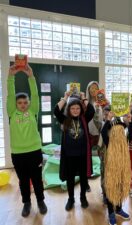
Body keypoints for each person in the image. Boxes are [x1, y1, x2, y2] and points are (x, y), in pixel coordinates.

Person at [7, 64, 47, 217]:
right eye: (20, 103)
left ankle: (41, 201)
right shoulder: (12, 112)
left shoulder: (32, 111)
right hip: (18, 153)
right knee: (23, 181)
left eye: (25, 102)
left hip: (34, 151)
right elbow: (10, 95)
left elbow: (35, 95)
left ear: (29, 103)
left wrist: (31, 76)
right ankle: (27, 203)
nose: (23, 105)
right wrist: (11, 76)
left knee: (37, 179)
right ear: (16, 105)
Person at [54, 91, 95, 211]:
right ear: (69, 109)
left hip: (82, 155)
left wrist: (83, 98)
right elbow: (56, 110)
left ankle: (83, 197)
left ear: (81, 109)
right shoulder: (65, 119)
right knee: (70, 178)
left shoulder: (84, 119)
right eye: (73, 108)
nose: (76, 110)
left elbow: (91, 110)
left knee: (83, 178)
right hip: (69, 155)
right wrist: (65, 97)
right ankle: (71, 198)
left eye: (78, 108)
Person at [101, 112, 131, 225]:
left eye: (121, 131)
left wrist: (129, 121)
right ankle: (110, 213)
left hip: (123, 168)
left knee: (121, 186)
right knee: (111, 187)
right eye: (116, 131)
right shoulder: (108, 142)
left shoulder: (125, 142)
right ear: (112, 133)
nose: (119, 133)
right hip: (111, 170)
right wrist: (108, 119)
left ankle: (118, 209)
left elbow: (131, 132)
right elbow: (103, 132)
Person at [85, 81, 103, 192]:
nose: (93, 90)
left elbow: (107, 113)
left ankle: (104, 185)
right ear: (88, 90)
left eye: (95, 88)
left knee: (103, 158)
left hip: (100, 133)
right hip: (88, 133)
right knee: (87, 158)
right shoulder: (85, 102)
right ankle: (86, 182)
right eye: (91, 88)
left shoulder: (102, 102)